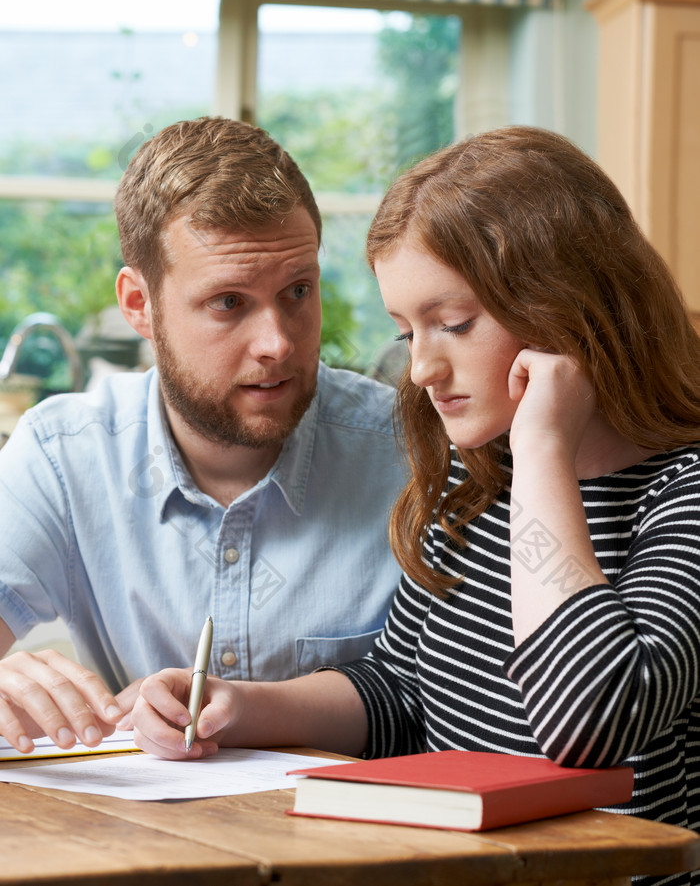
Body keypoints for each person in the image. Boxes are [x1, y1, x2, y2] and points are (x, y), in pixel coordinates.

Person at [133, 126, 700, 870]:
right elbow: (401, 691)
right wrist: (244, 706)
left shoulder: (676, 493)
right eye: (408, 333)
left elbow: (589, 720)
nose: (425, 367)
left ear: (566, 305)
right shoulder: (473, 486)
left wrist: (542, 449)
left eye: (454, 324)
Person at [0, 117, 404, 755]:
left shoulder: (412, 453)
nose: (277, 343)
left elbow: (450, 702)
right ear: (140, 306)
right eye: (228, 303)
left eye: (298, 291)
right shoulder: (65, 455)